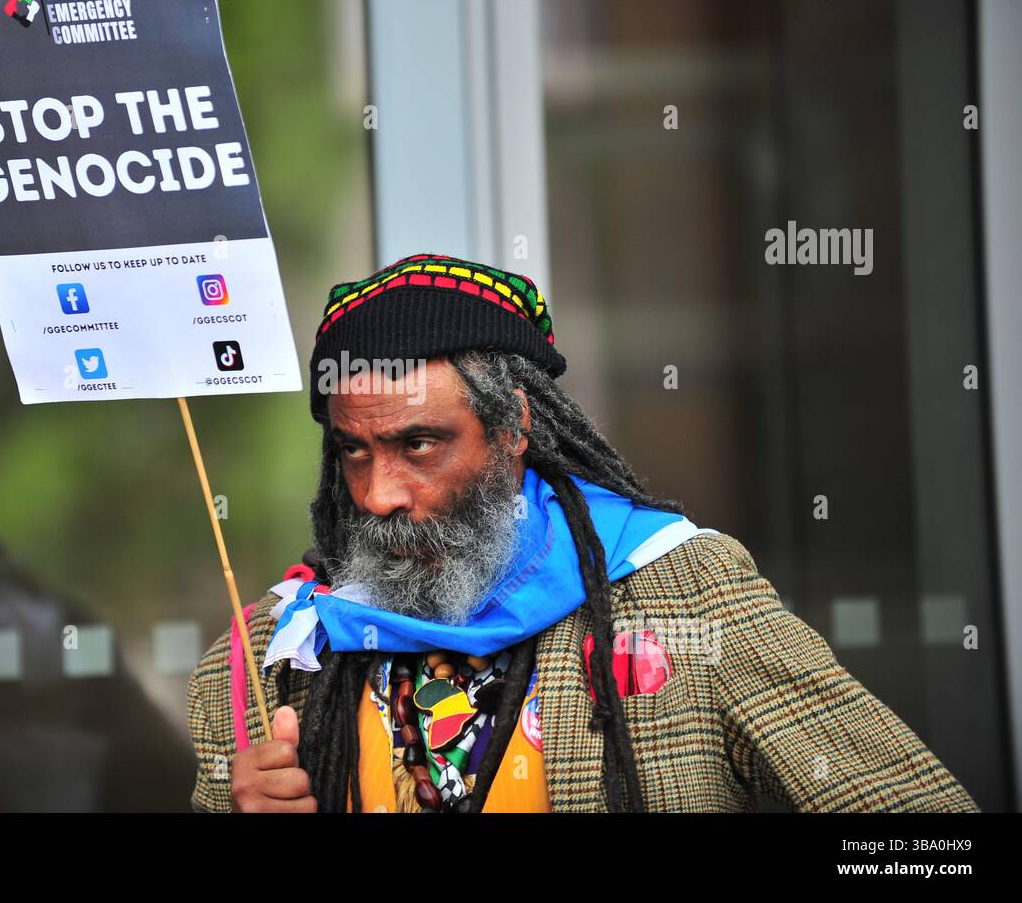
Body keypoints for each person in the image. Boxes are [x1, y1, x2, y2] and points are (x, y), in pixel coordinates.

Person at [185, 252, 979, 813]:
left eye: (418, 443)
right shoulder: (277, 653)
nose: (379, 492)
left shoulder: (684, 591)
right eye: (354, 450)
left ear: (513, 427)